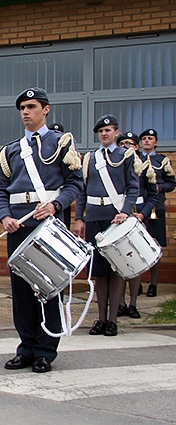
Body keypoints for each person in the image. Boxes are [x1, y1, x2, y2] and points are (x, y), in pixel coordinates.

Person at [0, 87, 83, 373]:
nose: (25, 112)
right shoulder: (10, 150)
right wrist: (4, 215)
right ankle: (27, 348)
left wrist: (57, 205)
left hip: (48, 226)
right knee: (21, 291)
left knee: (48, 288)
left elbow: (74, 184)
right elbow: (0, 189)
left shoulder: (61, 143)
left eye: (31, 106)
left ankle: (46, 350)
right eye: (22, 107)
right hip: (18, 226)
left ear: (45, 109)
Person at [74, 114, 139, 337]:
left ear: (116, 132)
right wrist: (79, 218)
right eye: (101, 131)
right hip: (94, 217)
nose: (104, 134)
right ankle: (101, 318)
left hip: (116, 217)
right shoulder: (90, 158)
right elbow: (82, 190)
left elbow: (133, 187)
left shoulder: (125, 156)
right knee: (99, 271)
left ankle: (113, 320)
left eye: (108, 130)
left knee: (117, 268)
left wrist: (124, 211)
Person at [115, 131, 157, 319]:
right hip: (119, 214)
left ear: (137, 147)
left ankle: (133, 303)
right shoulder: (115, 163)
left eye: (130, 144)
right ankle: (120, 303)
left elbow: (152, 195)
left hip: (137, 215)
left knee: (135, 259)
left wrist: (143, 213)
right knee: (119, 261)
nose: (126, 147)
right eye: (122, 143)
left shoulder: (144, 165)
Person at [139, 128, 176, 297]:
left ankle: (153, 284)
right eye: (144, 138)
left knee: (155, 245)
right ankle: (136, 283)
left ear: (156, 142)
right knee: (138, 246)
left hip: (156, 207)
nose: (147, 141)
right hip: (139, 207)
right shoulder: (135, 159)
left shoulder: (162, 161)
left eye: (150, 139)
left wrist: (159, 188)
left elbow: (171, 183)